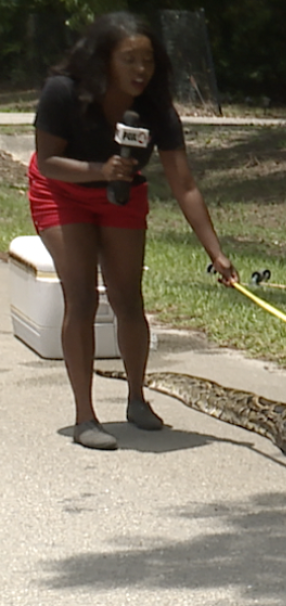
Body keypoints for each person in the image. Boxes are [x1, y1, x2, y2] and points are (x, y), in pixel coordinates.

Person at [27, 11, 238, 450]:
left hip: (122, 192)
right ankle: (85, 416)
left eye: (148, 61)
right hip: (61, 190)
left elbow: (184, 184)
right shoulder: (62, 93)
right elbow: (48, 162)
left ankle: (137, 398)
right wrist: (100, 168)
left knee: (128, 297)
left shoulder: (156, 110)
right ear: (104, 60)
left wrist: (216, 252)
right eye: (129, 60)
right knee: (81, 295)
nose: (141, 70)